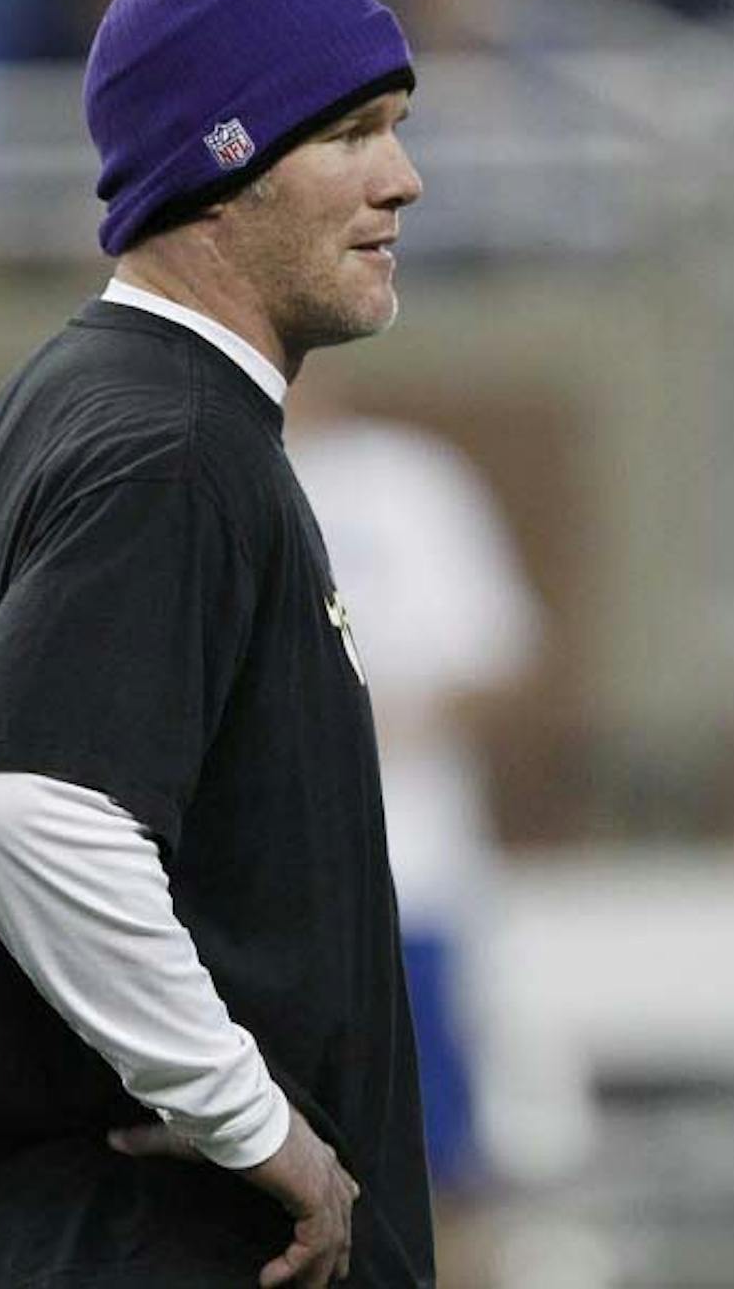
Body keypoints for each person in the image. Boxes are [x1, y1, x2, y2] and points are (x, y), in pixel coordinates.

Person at [0, 0, 433, 1284]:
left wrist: (37, 1014)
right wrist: (247, 1117)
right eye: (351, 133)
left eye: (397, 129)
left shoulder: (80, 406)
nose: (404, 178)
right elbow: (25, 798)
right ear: (219, 163)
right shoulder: (173, 448)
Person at [287, 402, 541, 1189]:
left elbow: (502, 656)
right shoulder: (183, 471)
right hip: (240, 902)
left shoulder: (408, 482)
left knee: (434, 1165)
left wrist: (379, 720)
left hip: (408, 884)